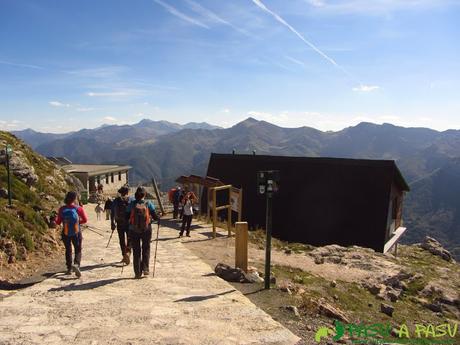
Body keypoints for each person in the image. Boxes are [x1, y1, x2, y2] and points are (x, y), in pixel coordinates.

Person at [127, 187, 158, 279]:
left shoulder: (132, 204)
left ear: (136, 195)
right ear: (144, 195)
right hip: (146, 229)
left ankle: (137, 272)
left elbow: (126, 216)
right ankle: (145, 269)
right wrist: (158, 218)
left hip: (133, 230)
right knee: (146, 248)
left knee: (136, 250)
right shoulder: (148, 204)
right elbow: (155, 216)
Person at [56, 191, 88, 277]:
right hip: (76, 231)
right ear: (74, 199)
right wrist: (78, 222)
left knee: (68, 249)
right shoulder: (78, 209)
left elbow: (58, 222)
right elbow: (85, 220)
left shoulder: (62, 209)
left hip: (65, 231)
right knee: (78, 249)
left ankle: (69, 268)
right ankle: (76, 264)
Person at [111, 187, 131, 265]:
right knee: (130, 239)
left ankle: (124, 255)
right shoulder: (130, 200)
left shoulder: (116, 201)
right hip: (129, 223)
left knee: (121, 239)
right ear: (127, 192)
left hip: (119, 222)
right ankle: (128, 252)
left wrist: (112, 223)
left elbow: (112, 212)